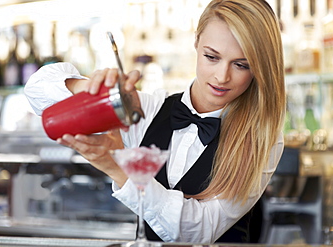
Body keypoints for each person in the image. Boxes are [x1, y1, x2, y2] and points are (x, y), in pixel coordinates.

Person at [24, 0, 285, 244]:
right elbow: (37, 91)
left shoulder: (264, 138)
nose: (221, 76)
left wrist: (118, 167)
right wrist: (97, 90)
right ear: (196, 43)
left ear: (260, 69)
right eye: (212, 57)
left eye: (241, 65)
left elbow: (199, 231)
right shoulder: (147, 110)